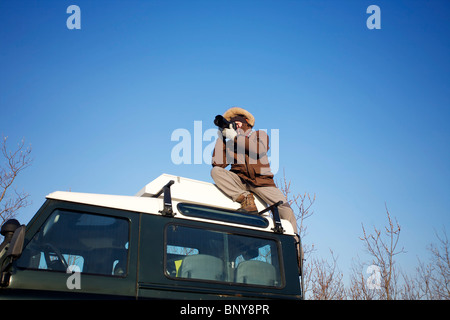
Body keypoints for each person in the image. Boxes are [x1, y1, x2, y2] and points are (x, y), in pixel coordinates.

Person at [211, 107, 298, 239]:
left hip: (262, 182)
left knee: (285, 209)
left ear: (246, 122)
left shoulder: (259, 135)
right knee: (216, 172)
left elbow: (258, 150)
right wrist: (221, 138)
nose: (235, 126)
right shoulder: (230, 143)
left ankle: (294, 247)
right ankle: (245, 197)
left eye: (237, 123)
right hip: (240, 180)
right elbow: (217, 164)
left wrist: (235, 136)